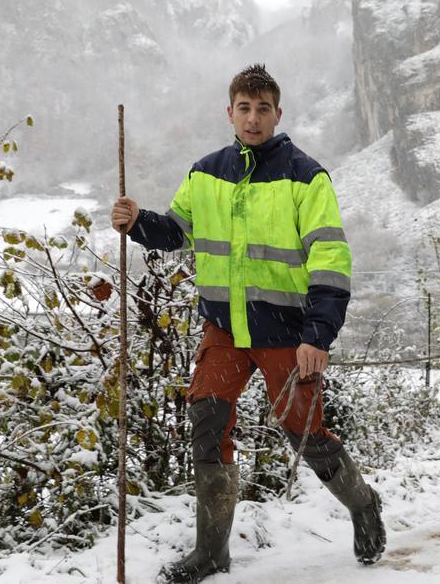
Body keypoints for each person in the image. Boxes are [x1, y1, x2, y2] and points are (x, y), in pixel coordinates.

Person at [111, 64, 384, 582]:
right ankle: (212, 553)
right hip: (225, 330)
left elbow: (329, 258)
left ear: (278, 114)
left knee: (303, 429)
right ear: (229, 112)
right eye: (244, 108)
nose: (253, 118)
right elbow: (177, 232)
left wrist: (317, 336)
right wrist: (138, 220)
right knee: (207, 423)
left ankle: (363, 503)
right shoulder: (205, 172)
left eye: (263, 109)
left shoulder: (306, 176)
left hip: (288, 332)